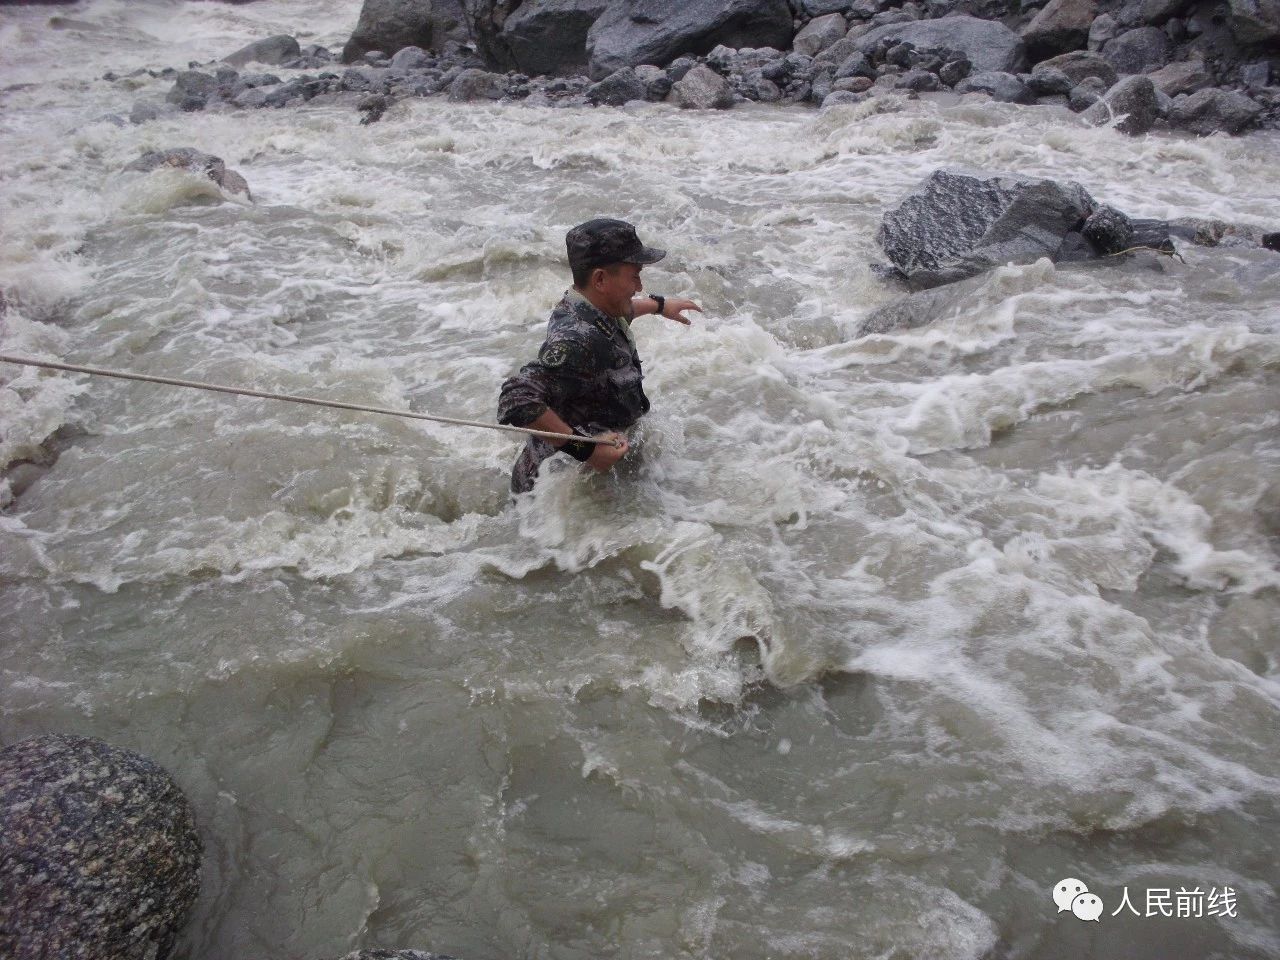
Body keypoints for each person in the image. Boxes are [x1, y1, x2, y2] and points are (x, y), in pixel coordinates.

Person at [496, 218, 701, 495]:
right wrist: (585, 450)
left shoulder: (591, 307)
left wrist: (659, 305)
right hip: (550, 492)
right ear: (601, 279)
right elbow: (516, 397)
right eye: (634, 275)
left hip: (580, 471)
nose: (639, 286)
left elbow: (623, 311)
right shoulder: (576, 339)